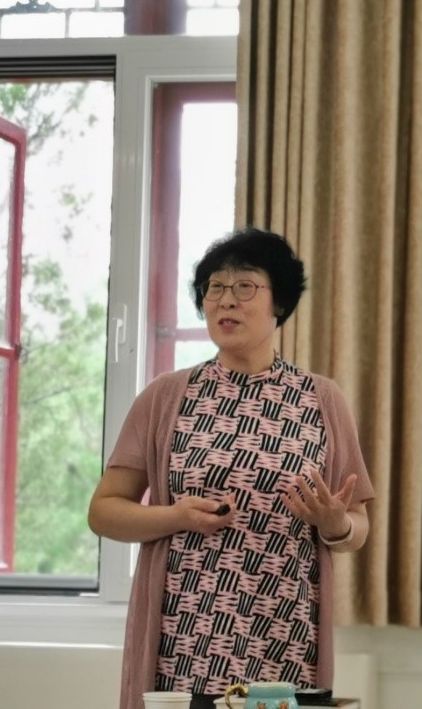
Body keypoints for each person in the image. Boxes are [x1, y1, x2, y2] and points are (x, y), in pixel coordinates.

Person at [88, 228, 374, 709]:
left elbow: (358, 526)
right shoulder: (165, 396)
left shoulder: (322, 399)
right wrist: (176, 516)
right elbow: (104, 511)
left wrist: (335, 524)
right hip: (183, 636)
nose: (226, 300)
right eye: (215, 288)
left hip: (285, 633)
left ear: (278, 301)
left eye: (245, 286)